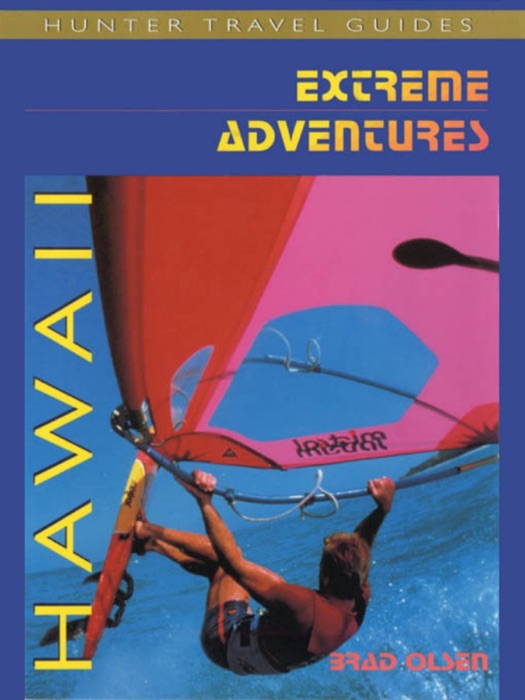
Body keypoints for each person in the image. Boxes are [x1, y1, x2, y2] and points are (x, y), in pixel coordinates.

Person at [134, 470, 395, 675]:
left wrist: (204, 502)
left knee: (226, 565)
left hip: (223, 643)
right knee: (255, 579)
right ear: (360, 576)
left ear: (325, 576)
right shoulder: (358, 598)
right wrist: (381, 510)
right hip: (265, 647)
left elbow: (232, 562)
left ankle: (146, 531)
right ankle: (151, 544)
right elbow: (359, 548)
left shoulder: (304, 606)